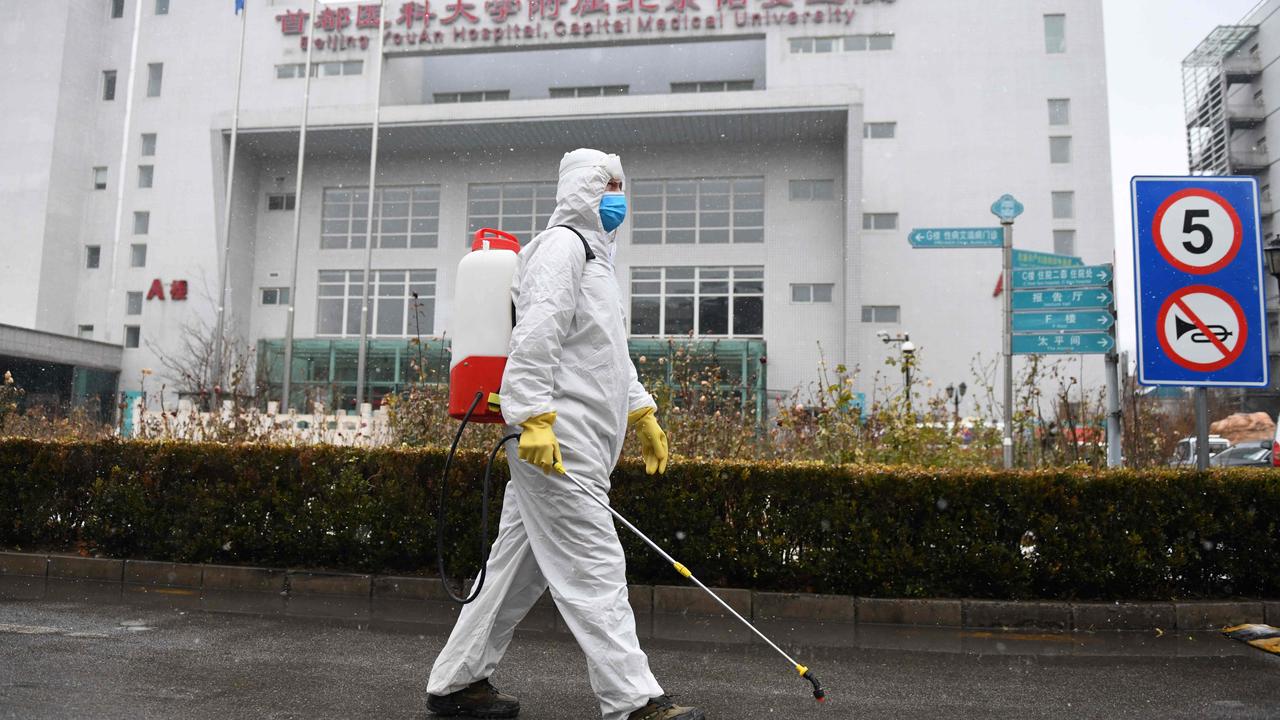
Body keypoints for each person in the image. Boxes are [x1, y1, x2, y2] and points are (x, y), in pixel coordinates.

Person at [426, 149, 704, 720]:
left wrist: (641, 414)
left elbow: (606, 357)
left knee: (511, 571)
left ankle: (456, 685)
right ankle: (633, 701)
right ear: (582, 189)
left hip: (574, 442)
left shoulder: (598, 264)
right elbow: (536, 335)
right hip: (556, 442)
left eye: (622, 186)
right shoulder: (562, 248)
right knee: (594, 565)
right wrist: (530, 417)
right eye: (608, 185)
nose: (618, 197)